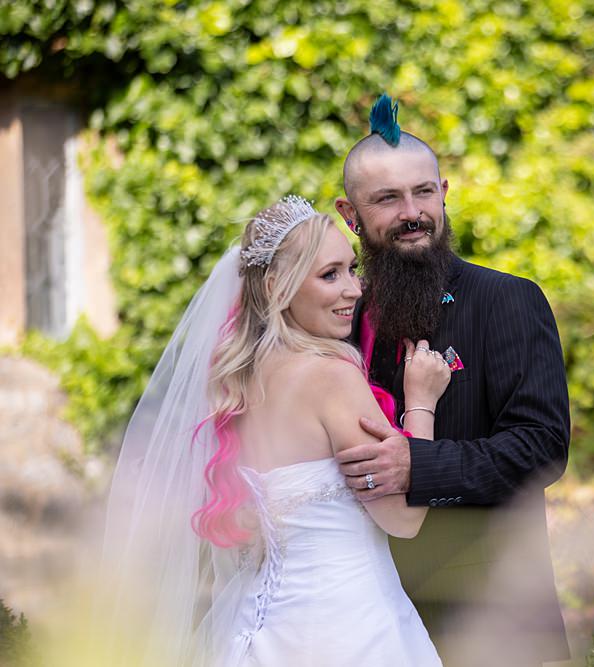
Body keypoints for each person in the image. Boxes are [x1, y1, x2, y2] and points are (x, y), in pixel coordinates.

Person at [100, 195, 452, 666]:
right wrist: (423, 403)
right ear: (275, 287)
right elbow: (404, 521)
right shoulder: (331, 377)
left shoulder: (235, 382)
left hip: (256, 633)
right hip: (349, 631)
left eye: (351, 269)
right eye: (329, 275)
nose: (353, 290)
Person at [332, 95, 571, 666]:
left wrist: (420, 466)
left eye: (422, 191)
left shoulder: (508, 300)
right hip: (362, 618)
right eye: (387, 199)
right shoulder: (338, 317)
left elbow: (542, 447)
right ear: (350, 215)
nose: (411, 211)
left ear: (444, 193)